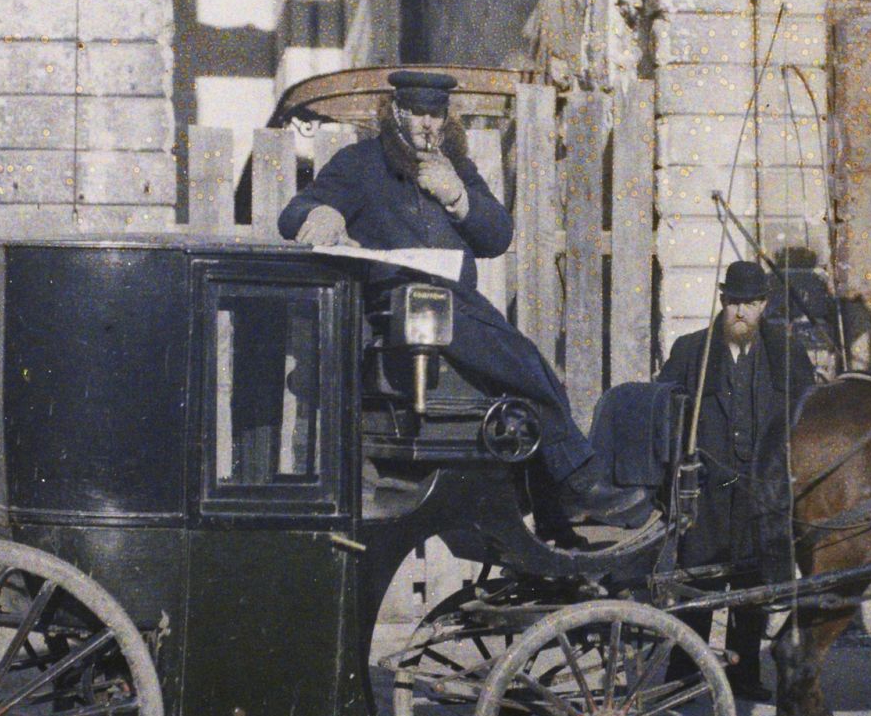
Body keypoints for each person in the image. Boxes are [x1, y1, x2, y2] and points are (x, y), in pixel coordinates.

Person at [276, 70, 647, 526]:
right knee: (521, 362)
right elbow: (293, 211)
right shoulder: (361, 163)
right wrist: (323, 210)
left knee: (524, 366)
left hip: (457, 302)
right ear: (396, 112)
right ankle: (576, 480)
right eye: (417, 113)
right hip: (400, 306)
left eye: (436, 114)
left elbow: (497, 235)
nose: (428, 125)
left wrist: (458, 198)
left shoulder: (458, 168)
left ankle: (548, 492)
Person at [658, 260, 817, 700]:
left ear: (764, 305)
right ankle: (684, 674)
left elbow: (807, 413)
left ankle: (744, 675)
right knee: (699, 581)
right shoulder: (692, 351)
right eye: (733, 303)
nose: (740, 312)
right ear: (722, 301)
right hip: (706, 491)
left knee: (750, 583)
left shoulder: (786, 355)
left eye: (750, 303)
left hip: (760, 489)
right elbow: (665, 411)